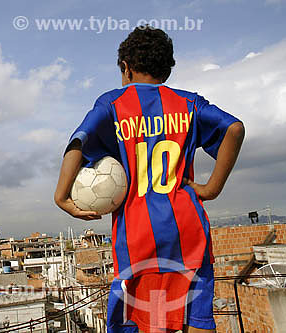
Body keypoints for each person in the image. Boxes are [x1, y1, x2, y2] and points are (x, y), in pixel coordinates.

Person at [54, 26, 245, 333]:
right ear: (167, 69)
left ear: (126, 67)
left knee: (148, 324)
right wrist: (212, 189)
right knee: (198, 320)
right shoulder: (190, 103)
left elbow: (78, 141)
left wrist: (61, 196)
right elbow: (234, 129)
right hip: (188, 232)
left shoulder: (112, 104)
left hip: (139, 239)